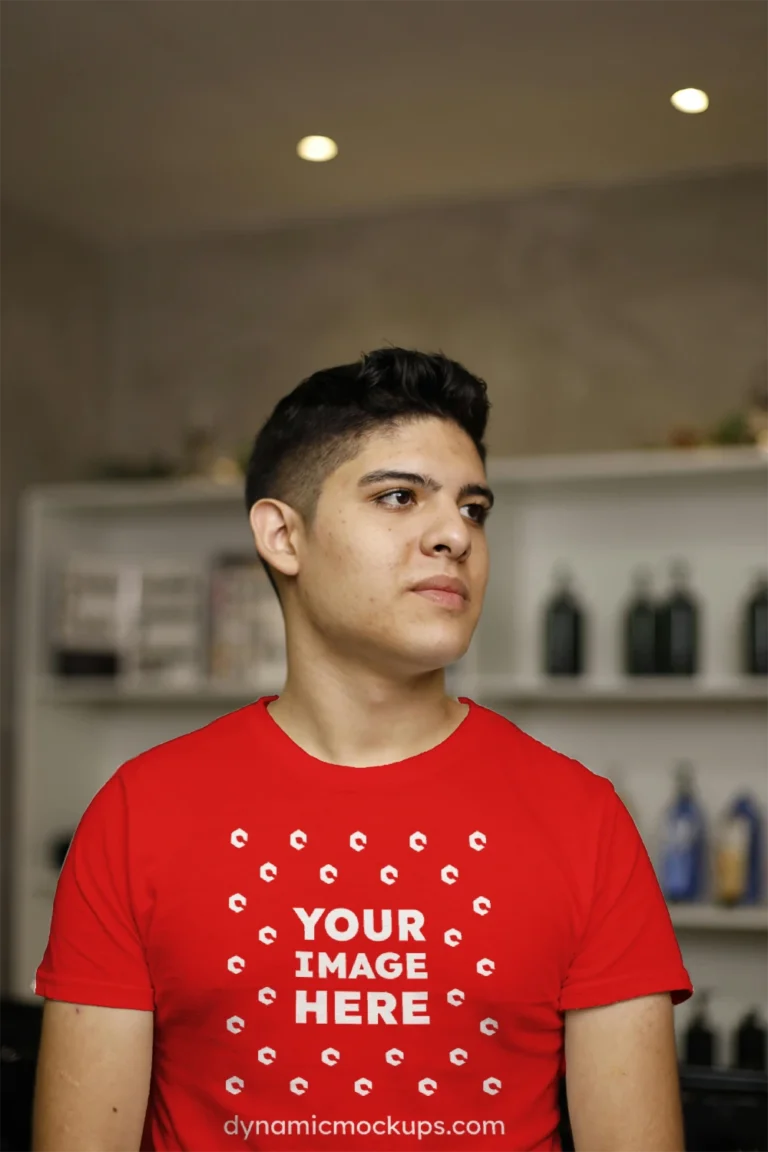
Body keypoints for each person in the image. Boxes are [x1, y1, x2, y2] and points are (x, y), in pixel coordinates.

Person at [31, 347, 692, 1152]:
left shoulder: (582, 818)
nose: (454, 533)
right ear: (283, 535)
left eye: (475, 509)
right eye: (399, 496)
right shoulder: (140, 813)